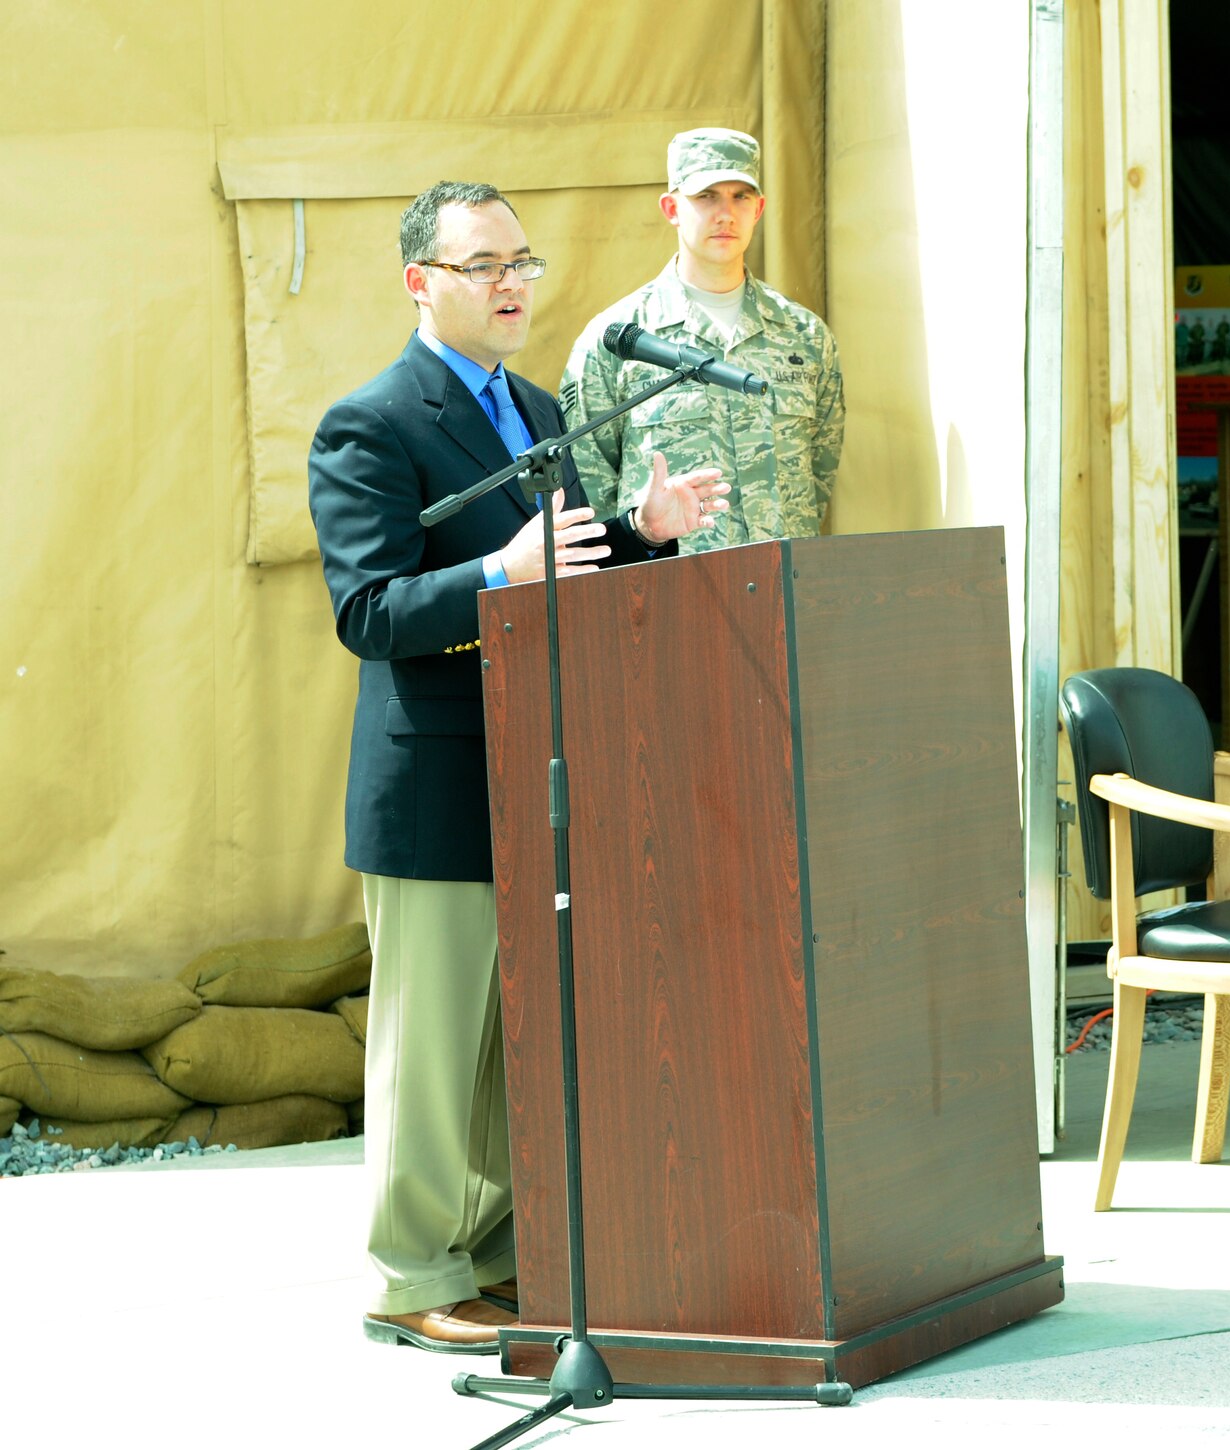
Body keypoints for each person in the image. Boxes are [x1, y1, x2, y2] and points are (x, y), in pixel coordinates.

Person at [307, 181, 729, 1354]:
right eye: (481, 263)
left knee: (512, 1050)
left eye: (522, 262)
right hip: (437, 786)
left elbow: (575, 575)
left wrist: (641, 533)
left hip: (542, 773)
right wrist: (500, 571)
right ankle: (411, 1276)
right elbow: (370, 611)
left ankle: (492, 1257)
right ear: (419, 284)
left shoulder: (540, 410)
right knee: (435, 1051)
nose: (510, 283)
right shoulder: (371, 424)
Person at [562, 127, 843, 550]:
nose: (725, 213)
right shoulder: (619, 340)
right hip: (671, 596)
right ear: (672, 207)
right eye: (706, 196)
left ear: (759, 208)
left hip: (786, 590)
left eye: (740, 196)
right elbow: (587, 482)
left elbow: (818, 471)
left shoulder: (805, 337)